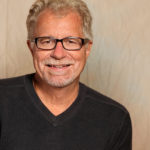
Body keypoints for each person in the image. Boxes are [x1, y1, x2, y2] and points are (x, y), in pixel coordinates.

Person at [0, 0, 132, 149]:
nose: (58, 54)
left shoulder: (115, 119)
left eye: (70, 41)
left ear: (87, 49)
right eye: (46, 41)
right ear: (32, 48)